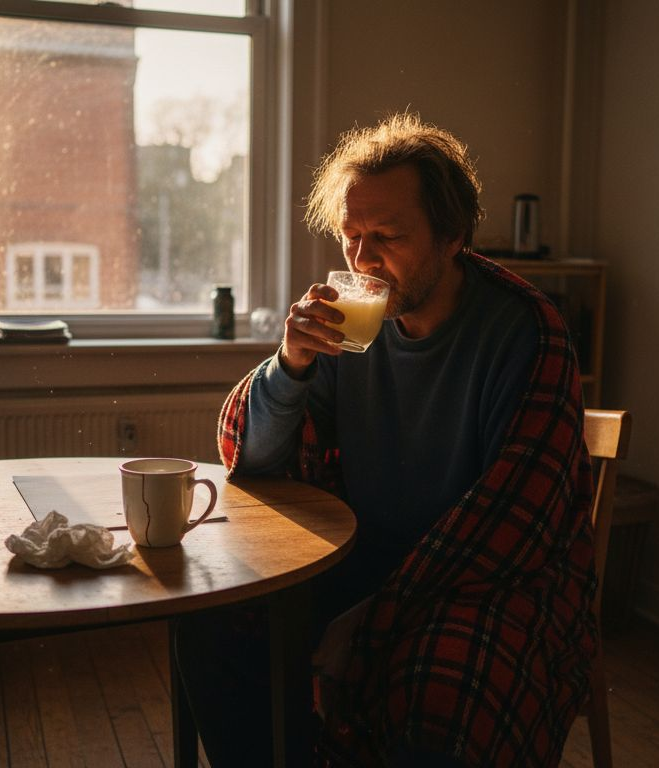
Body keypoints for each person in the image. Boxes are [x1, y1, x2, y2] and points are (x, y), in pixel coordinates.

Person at [175, 112, 597, 767]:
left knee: (444, 683)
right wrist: (290, 365)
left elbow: (512, 525)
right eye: (351, 237)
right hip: (364, 559)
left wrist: (373, 622)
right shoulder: (351, 327)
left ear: (453, 234)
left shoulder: (525, 332)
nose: (363, 260)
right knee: (210, 615)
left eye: (388, 236)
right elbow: (250, 457)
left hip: (491, 581)